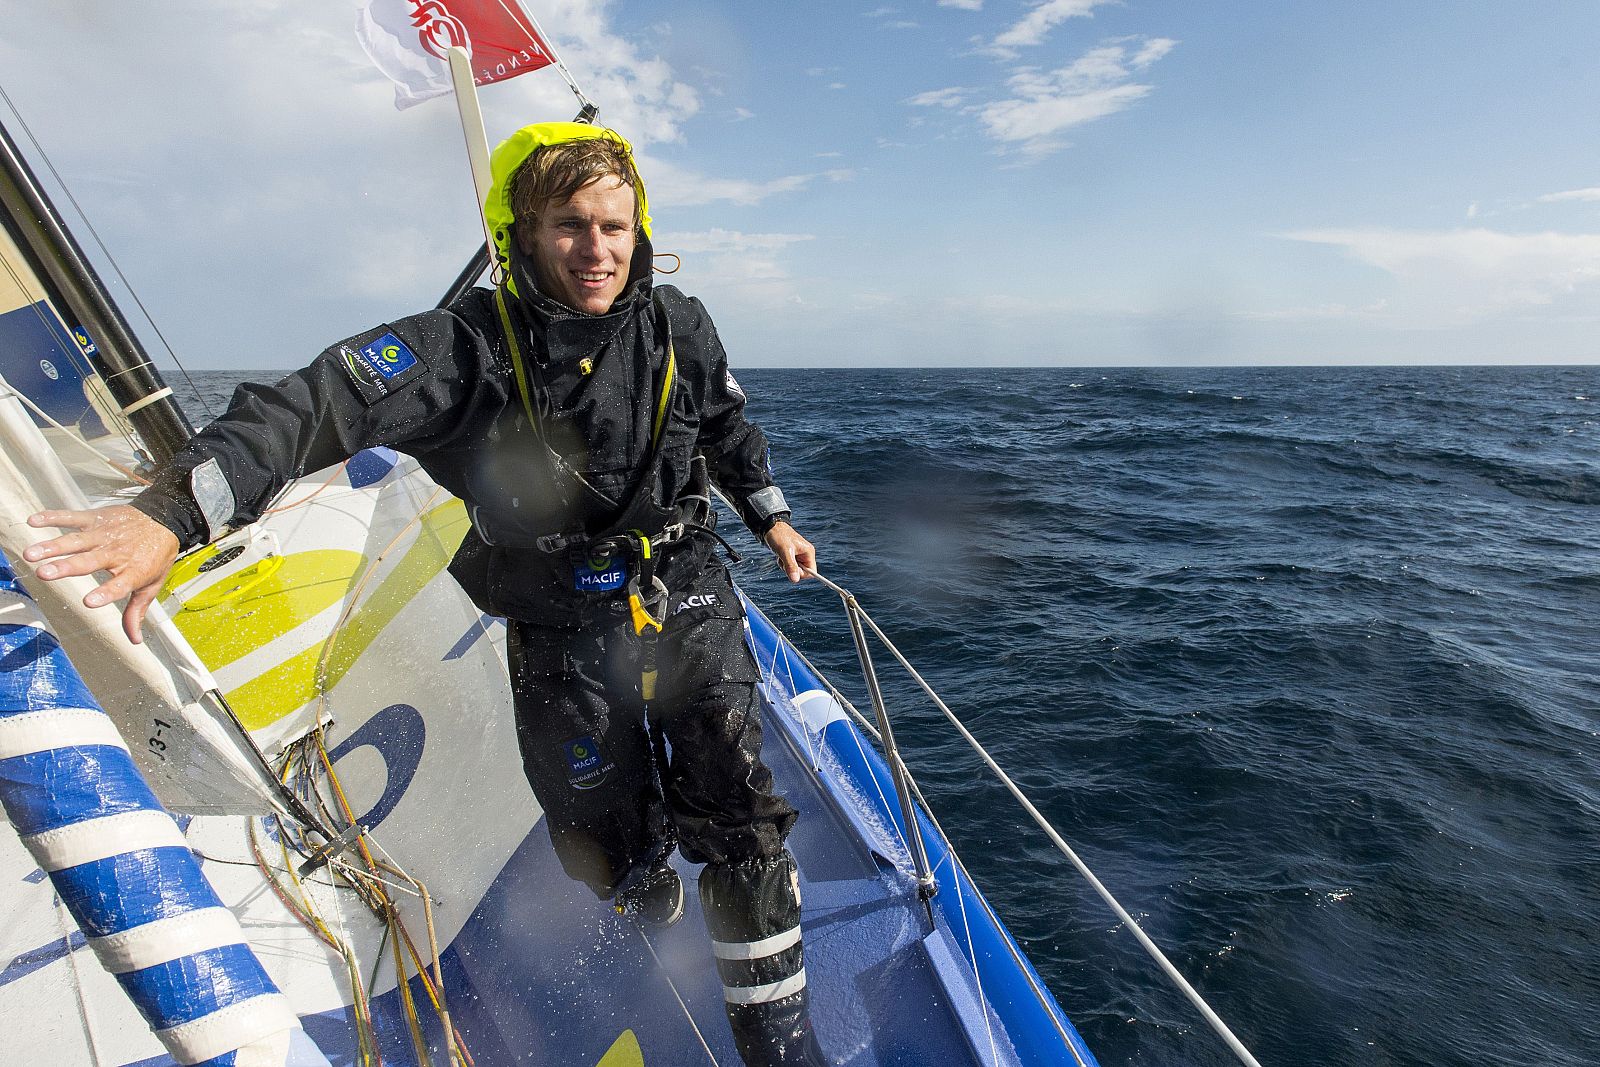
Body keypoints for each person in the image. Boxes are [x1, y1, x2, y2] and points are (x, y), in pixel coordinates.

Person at [23, 122, 828, 1067]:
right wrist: (173, 510)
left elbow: (726, 420)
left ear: (640, 225)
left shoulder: (677, 323)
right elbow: (312, 406)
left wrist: (769, 513)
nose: (598, 250)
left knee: (740, 812)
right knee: (598, 833)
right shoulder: (459, 351)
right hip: (557, 619)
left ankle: (784, 1048)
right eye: (570, 225)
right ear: (520, 233)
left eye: (615, 224)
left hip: (683, 591)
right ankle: (643, 876)